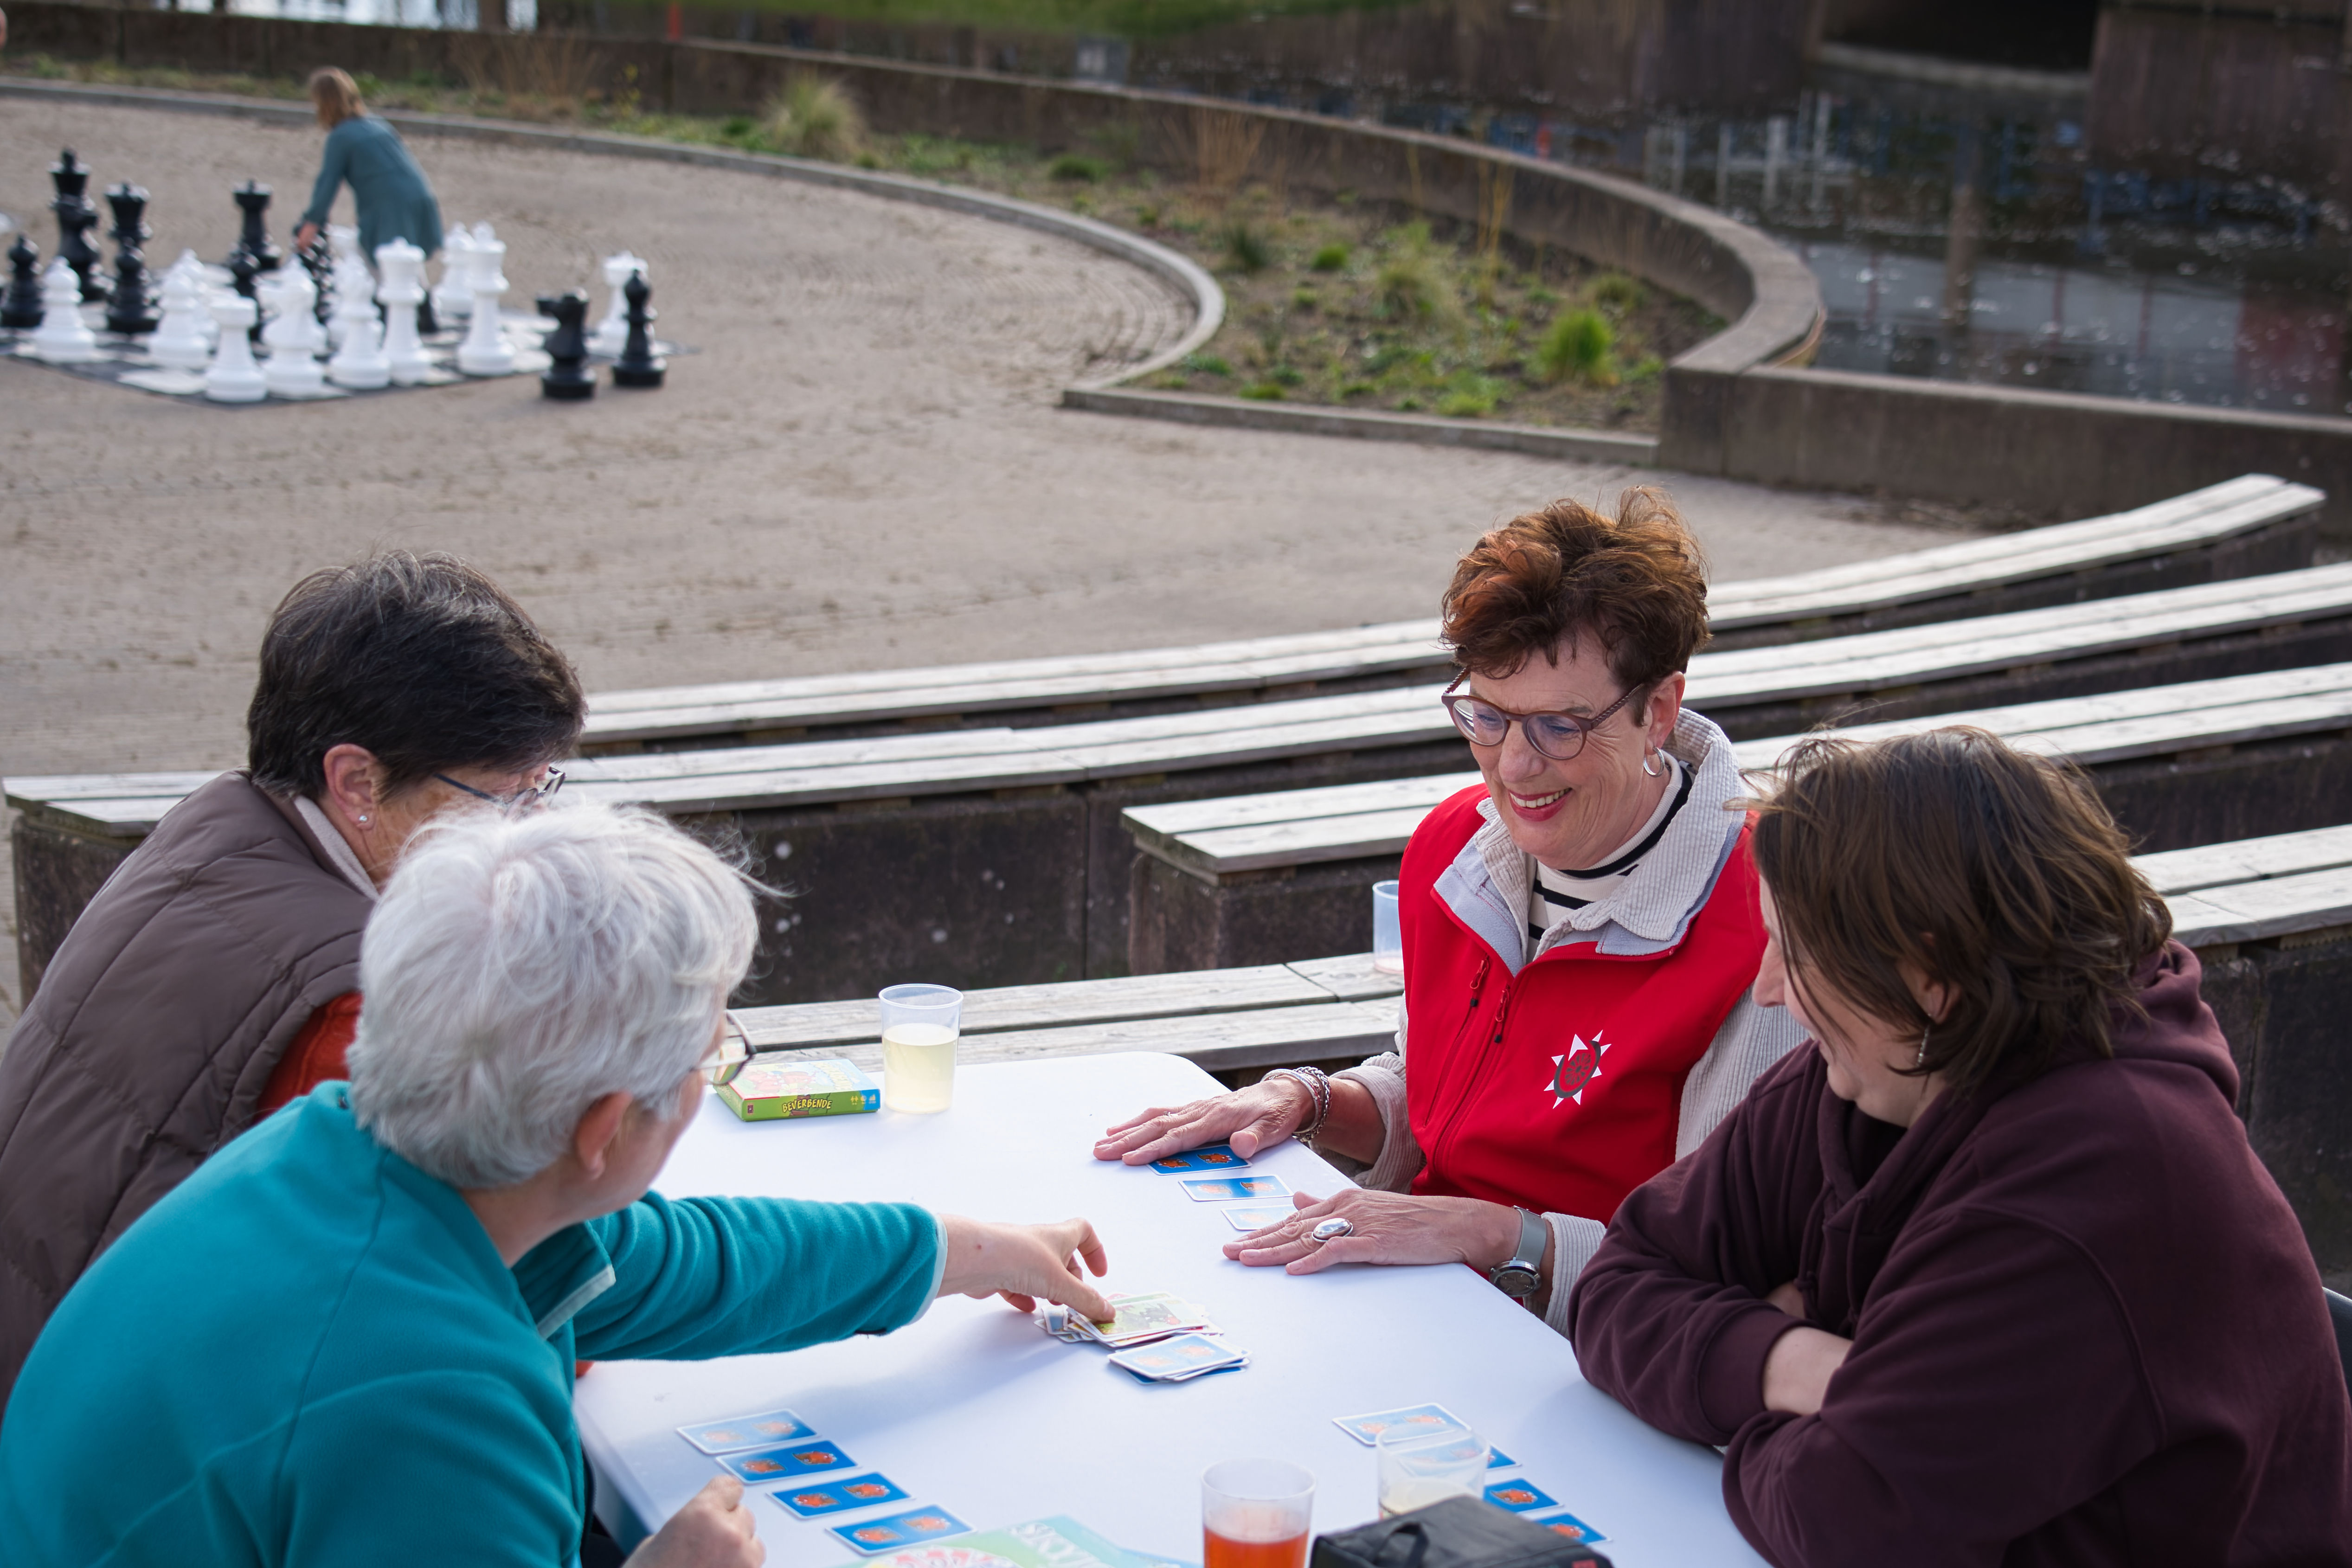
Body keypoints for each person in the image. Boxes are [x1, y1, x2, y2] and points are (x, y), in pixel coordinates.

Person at [0, 801, 1115, 1568]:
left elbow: (677, 1259)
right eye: (706, 1054)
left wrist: (966, 1250)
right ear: (599, 1126)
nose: (708, 1068)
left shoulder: (341, 1144)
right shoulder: (433, 1395)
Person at [1567, 728, 2352, 1564]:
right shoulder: (1881, 1066)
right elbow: (1618, 1287)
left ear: (1927, 974)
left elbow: (1842, 1517)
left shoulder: (2092, 1186)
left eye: (1793, 954)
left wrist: (1750, 1380)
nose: (1768, 991)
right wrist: (1803, 1364)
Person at [1095, 491, 1803, 1327]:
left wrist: (1495, 1236)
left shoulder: (1772, 918)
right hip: (1438, 1308)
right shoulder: (1455, 848)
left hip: (1609, 1361)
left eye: (1559, 728)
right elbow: (1444, 1094)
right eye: (1487, 717)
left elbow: (1724, 1271)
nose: (1512, 767)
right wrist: (1310, 1101)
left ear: (1658, 711)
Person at [0, 552, 584, 1408]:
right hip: (99, 1439)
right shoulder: (349, 996)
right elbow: (441, 1306)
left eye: (544, 787)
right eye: (504, 795)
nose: (530, 828)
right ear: (355, 780)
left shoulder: (220, 824)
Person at [291, 67, 445, 263]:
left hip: (391, 209)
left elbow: (327, 184)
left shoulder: (341, 137)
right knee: (406, 273)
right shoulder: (377, 124)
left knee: (386, 276)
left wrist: (311, 223)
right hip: (420, 198)